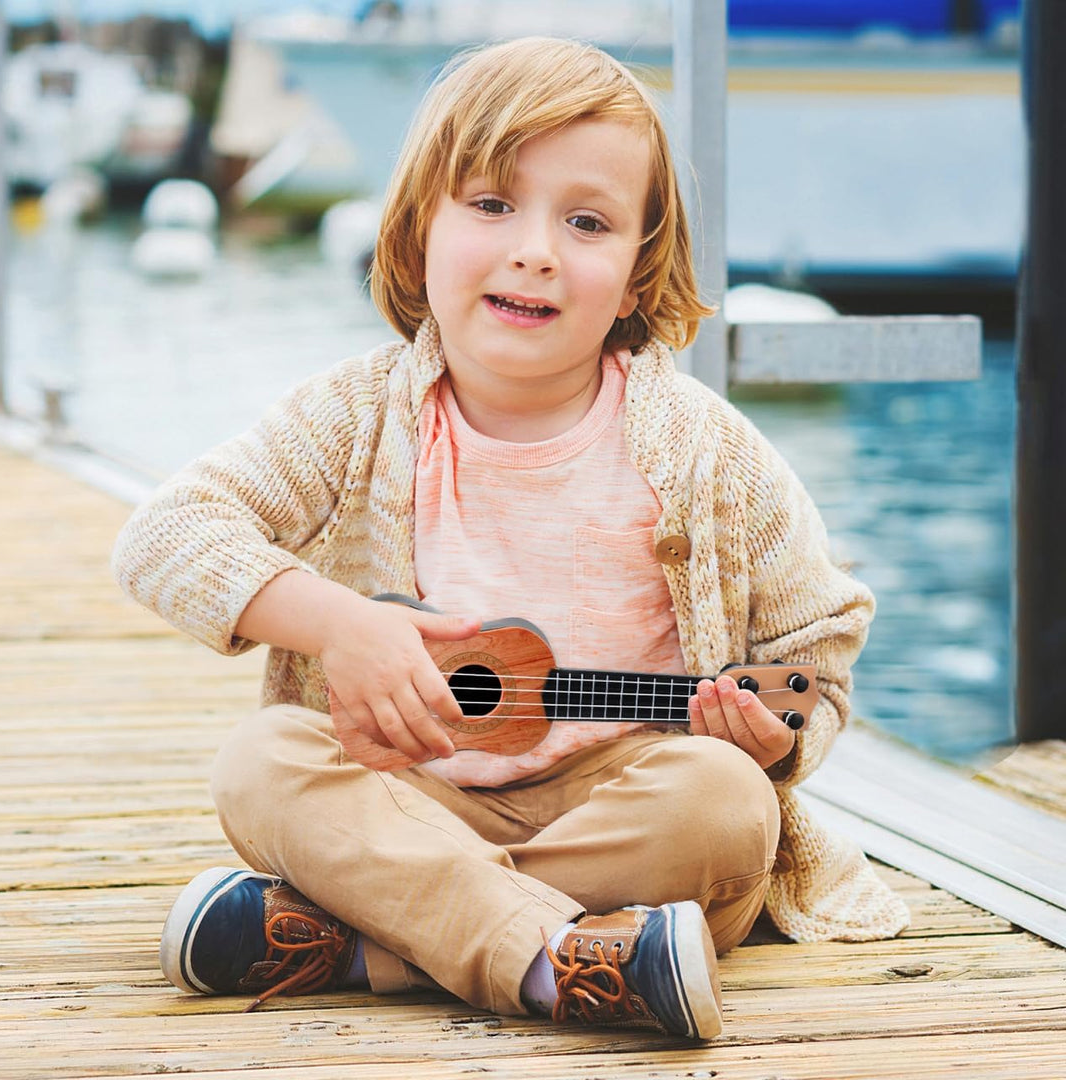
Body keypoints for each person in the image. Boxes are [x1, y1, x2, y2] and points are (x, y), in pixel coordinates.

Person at [112, 36, 909, 1041]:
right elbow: (164, 534)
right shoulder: (358, 417)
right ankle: (559, 958)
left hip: (623, 810)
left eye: (586, 222)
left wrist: (777, 737)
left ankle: (368, 946)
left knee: (725, 805)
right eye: (492, 206)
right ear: (415, 241)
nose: (535, 248)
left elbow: (817, 647)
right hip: (414, 802)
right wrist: (342, 626)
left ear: (632, 279)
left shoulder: (706, 451)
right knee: (264, 760)